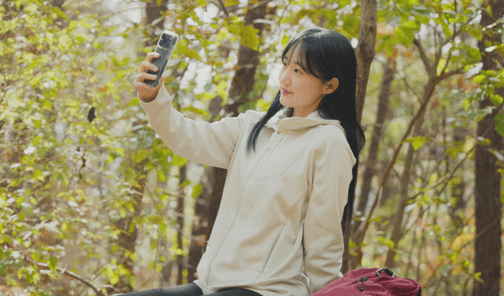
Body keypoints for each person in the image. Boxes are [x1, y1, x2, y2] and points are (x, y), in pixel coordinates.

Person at [129, 28, 366, 296]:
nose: (285, 78)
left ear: (329, 85)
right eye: (285, 64)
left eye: (299, 71)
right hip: (210, 285)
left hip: (268, 290)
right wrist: (153, 99)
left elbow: (324, 237)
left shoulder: (329, 142)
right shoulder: (256, 125)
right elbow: (188, 138)